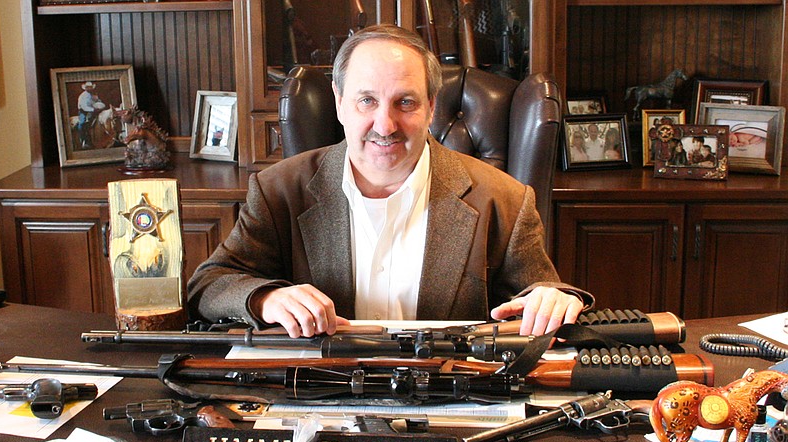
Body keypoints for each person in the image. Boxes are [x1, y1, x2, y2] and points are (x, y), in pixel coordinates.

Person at [188, 25, 593, 338]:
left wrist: (552, 300)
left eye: (406, 102)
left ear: (432, 106)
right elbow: (207, 285)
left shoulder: (503, 199)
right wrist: (265, 298)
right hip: (319, 393)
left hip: (453, 402)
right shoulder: (279, 191)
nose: (385, 124)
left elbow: (543, 295)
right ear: (339, 102)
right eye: (367, 100)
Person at [76, 81, 105, 149]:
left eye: (90, 87)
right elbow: (84, 107)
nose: (89, 89)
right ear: (85, 88)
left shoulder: (93, 95)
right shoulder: (83, 96)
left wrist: (100, 105)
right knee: (82, 123)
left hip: (93, 110)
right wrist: (93, 109)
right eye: (88, 87)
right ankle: (84, 140)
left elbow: (98, 101)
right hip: (83, 111)